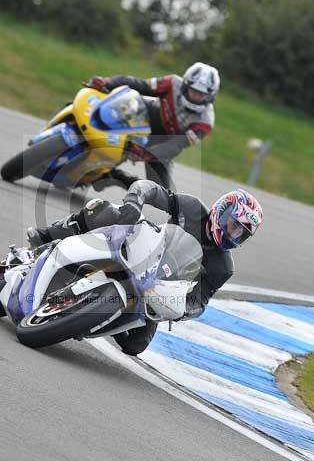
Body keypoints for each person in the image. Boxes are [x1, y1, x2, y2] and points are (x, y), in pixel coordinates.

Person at [27, 180, 263, 355]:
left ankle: (99, 315)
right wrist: (135, 200)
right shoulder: (192, 208)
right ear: (221, 211)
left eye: (241, 233)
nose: (233, 234)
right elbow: (152, 190)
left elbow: (200, 301)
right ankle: (49, 235)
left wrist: (181, 309)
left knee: (135, 345)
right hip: (144, 247)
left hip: (156, 289)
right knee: (104, 210)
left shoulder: (223, 266)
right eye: (233, 225)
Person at [87, 62, 220, 191]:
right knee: (117, 106)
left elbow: (176, 145)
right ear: (186, 85)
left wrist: (145, 153)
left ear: (210, 96)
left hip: (165, 142)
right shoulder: (172, 83)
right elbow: (140, 84)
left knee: (161, 194)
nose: (196, 96)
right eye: (193, 91)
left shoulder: (205, 122)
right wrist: (108, 82)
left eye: (201, 94)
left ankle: (118, 178)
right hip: (148, 116)